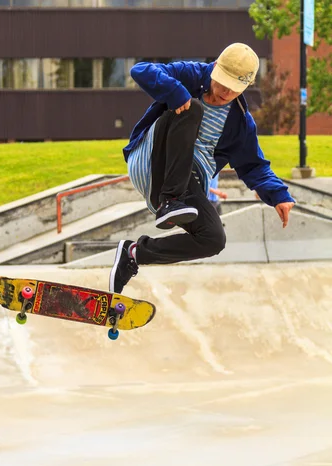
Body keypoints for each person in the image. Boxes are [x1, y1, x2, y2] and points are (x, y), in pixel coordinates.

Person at [109, 43, 295, 294]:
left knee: (213, 239)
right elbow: (141, 70)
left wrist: (279, 195)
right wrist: (175, 92)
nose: (224, 93)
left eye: (233, 89)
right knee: (191, 109)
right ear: (215, 67)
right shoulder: (191, 74)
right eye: (221, 83)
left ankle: (133, 254)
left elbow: (254, 165)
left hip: (187, 184)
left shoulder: (240, 123)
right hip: (152, 157)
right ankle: (171, 199)